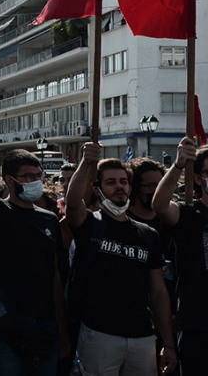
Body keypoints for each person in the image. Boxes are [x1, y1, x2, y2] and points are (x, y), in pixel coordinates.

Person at [0, 108, 68, 375]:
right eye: (28, 177)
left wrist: (62, 326)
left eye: (38, 176)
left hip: (44, 325)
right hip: (5, 324)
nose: (35, 182)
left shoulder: (49, 219)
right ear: (10, 180)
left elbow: (54, 275)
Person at [66, 144, 176, 376]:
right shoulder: (90, 224)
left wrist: (168, 342)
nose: (119, 187)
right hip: (99, 333)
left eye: (123, 182)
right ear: (98, 189)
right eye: (111, 182)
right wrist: (87, 163)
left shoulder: (147, 234)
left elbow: (157, 292)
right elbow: (73, 202)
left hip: (142, 336)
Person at [152, 137, 205, 374]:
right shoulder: (190, 214)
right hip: (198, 324)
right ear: (198, 178)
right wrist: (179, 165)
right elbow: (160, 205)